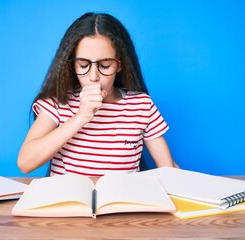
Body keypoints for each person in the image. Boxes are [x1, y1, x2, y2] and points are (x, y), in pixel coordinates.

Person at [18, 12, 178, 176]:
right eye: (83, 65)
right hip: (69, 200)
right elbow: (25, 163)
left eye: (105, 66)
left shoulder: (141, 105)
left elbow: (167, 167)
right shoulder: (59, 102)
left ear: (119, 65)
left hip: (122, 200)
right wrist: (80, 117)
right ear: (73, 66)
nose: (93, 77)